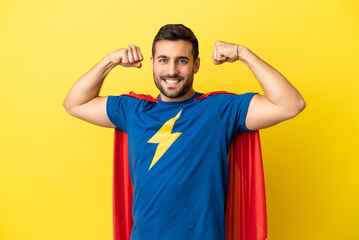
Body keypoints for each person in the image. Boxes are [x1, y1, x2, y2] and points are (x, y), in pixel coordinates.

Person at [63, 24, 305, 240]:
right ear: (152, 63)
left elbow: (290, 104)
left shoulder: (220, 109)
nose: (171, 71)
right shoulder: (133, 110)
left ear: (195, 64)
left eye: (181, 61)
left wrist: (244, 54)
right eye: (163, 60)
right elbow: (74, 103)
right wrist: (109, 61)